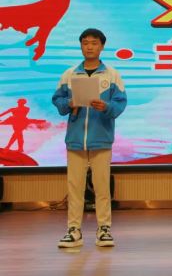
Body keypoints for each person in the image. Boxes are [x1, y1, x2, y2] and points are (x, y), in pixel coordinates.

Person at [52, 28, 127, 248]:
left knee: (102, 187)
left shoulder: (111, 75)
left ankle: (104, 229)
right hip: (75, 139)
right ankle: (73, 230)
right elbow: (57, 100)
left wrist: (106, 106)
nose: (89, 47)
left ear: (102, 46)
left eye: (94, 43)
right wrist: (69, 104)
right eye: (85, 43)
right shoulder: (70, 74)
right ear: (81, 46)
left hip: (101, 138)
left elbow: (120, 103)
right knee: (74, 187)